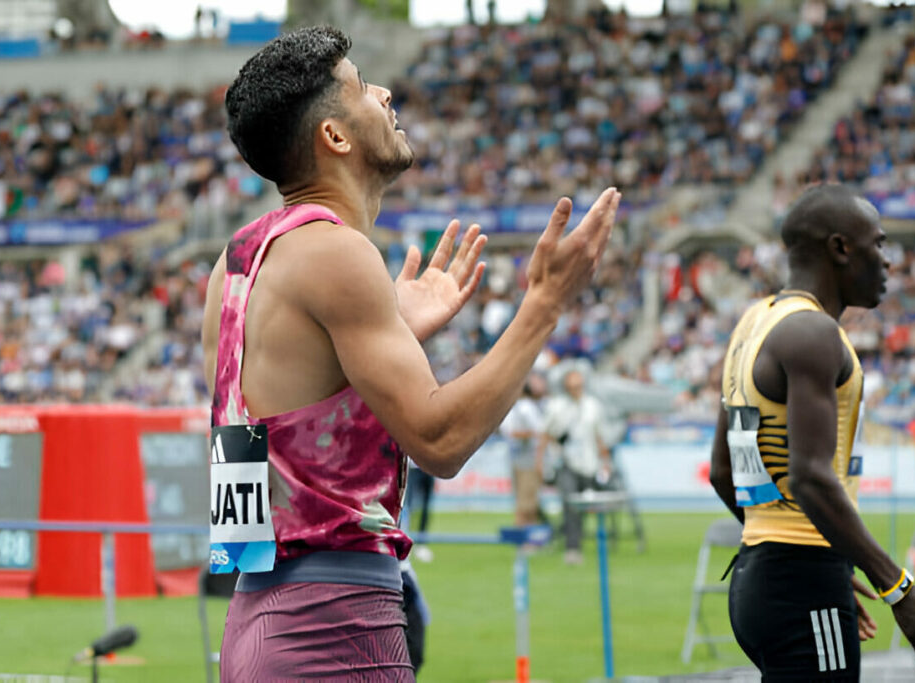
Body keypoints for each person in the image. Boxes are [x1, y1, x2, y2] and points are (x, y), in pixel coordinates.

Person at [200, 26, 621, 681]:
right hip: (333, 628)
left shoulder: (239, 260)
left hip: (260, 617)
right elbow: (441, 440)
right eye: (363, 86)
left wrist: (394, 327)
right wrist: (544, 304)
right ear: (334, 137)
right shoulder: (336, 252)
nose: (385, 92)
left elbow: (282, 429)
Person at [710, 184, 915, 681]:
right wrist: (900, 588)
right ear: (841, 248)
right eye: (879, 244)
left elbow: (724, 472)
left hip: (759, 576)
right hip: (801, 580)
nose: (889, 261)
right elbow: (810, 478)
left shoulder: (754, 323)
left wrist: (826, 558)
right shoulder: (814, 333)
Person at [542, 368, 612, 564]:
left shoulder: (593, 406)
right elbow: (546, 435)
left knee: (583, 506)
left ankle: (565, 535)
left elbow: (599, 437)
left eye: (579, 386)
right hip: (566, 463)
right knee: (570, 502)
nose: (576, 390)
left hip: (589, 463)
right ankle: (573, 548)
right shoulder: (557, 406)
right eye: (572, 386)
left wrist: (606, 462)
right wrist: (541, 463)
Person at [499, 372, 548, 526]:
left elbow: (538, 433)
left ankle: (527, 533)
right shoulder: (516, 407)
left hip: (528, 457)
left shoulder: (526, 407)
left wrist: (520, 435)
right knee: (523, 497)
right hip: (518, 456)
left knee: (527, 498)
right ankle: (528, 530)